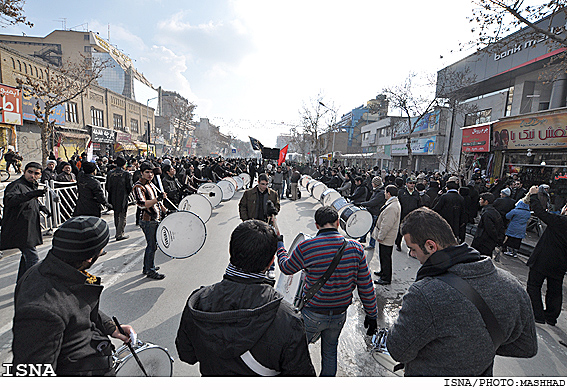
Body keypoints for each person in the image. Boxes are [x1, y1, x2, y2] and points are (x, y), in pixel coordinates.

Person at [386, 207, 537, 376]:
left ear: (430, 246)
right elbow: (526, 346)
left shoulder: (425, 294)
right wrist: (479, 347)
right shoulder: (512, 285)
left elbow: (398, 350)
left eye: (412, 248)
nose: (412, 254)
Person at [175, 220, 315, 376]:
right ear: (271, 262)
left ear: (230, 251)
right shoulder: (288, 317)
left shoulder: (198, 301)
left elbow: (186, 355)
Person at [12, 216, 136, 376]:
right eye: (101, 248)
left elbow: (77, 305)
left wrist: (110, 327)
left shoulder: (57, 269)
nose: (102, 252)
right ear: (89, 258)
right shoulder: (42, 310)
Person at [275, 206, 378, 376]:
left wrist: (280, 245)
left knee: (296, 351)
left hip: (312, 313)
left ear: (316, 225)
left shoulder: (306, 247)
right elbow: (366, 286)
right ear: (338, 223)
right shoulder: (356, 248)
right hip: (339, 314)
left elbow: (286, 268)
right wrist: (371, 315)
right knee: (330, 352)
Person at [1, 162, 50, 282]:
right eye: (30, 172)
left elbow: (27, 202)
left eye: (36, 173)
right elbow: (10, 200)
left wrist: (40, 206)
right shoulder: (16, 185)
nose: (32, 175)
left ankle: (22, 282)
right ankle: (34, 285)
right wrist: (31, 195)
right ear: (24, 171)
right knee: (32, 258)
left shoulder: (30, 185)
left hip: (28, 227)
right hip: (19, 228)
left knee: (26, 258)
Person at [525, 185, 567, 326]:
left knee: (533, 285)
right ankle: (551, 316)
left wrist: (534, 196)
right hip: (561, 263)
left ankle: (537, 313)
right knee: (555, 289)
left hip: (544, 259)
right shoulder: (560, 221)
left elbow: (540, 213)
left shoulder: (560, 222)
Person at [133, 161, 167, 280]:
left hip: (155, 218)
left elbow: (156, 200)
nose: (150, 175)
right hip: (147, 220)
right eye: (147, 172)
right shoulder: (138, 186)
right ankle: (149, 270)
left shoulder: (151, 184)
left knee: (153, 245)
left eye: (151, 172)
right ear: (141, 173)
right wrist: (158, 199)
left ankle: (148, 266)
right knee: (151, 246)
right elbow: (142, 204)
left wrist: (163, 207)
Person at [372, 185, 401, 285]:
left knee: (386, 257)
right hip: (386, 236)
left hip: (387, 237)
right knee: (383, 256)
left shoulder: (392, 207)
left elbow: (386, 224)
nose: (384, 194)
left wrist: (381, 236)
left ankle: (386, 278)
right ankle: (383, 271)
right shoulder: (392, 203)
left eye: (385, 192)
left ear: (389, 193)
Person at [106, 156, 133, 241]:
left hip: (113, 196)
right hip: (123, 196)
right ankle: (120, 234)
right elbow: (129, 187)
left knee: (116, 214)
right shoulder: (126, 174)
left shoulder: (110, 173)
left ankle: (118, 232)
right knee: (122, 215)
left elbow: (107, 186)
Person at [432, 176, 466, 241]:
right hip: (456, 224)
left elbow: (437, 209)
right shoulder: (461, 198)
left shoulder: (444, 197)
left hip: (444, 223)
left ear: (447, 188)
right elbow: (463, 212)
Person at [471, 192, 504, 257]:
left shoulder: (487, 214)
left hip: (483, 242)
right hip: (488, 243)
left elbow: (490, 229)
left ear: (486, 201)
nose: (480, 201)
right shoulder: (495, 212)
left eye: (481, 199)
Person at [359, 176, 386, 249]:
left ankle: (372, 244)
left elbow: (373, 202)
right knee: (366, 226)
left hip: (375, 213)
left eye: (373, 183)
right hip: (371, 211)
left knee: (373, 230)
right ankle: (362, 239)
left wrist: (363, 203)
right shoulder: (376, 190)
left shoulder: (380, 193)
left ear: (376, 184)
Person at [395, 177, 420, 252]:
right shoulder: (401, 192)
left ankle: (411, 248)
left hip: (412, 215)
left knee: (411, 233)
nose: (412, 185)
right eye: (410, 183)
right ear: (406, 184)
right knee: (401, 230)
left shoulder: (416, 194)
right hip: (402, 214)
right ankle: (398, 244)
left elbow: (419, 204)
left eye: (413, 183)